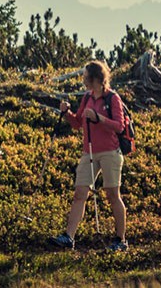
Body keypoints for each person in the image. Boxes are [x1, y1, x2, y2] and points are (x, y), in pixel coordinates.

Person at [49, 60, 130, 252]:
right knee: (80, 193)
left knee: (112, 194)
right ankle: (69, 237)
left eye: (86, 77)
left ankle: (120, 239)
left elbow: (119, 126)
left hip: (110, 152)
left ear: (96, 79)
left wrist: (98, 118)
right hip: (89, 152)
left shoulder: (112, 98)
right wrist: (67, 113)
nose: (84, 80)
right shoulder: (87, 97)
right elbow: (78, 123)